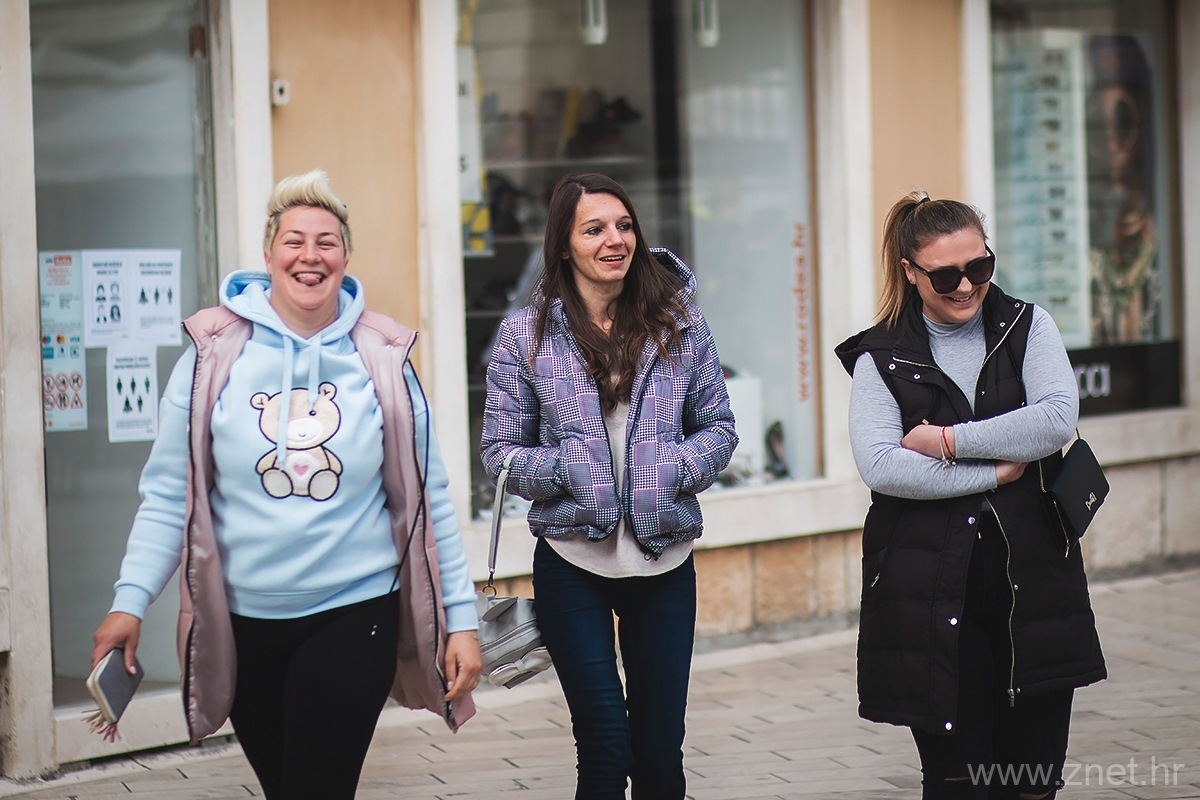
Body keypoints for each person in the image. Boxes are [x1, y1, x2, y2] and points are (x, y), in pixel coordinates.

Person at [91, 169, 482, 799]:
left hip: (356, 612)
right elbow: (169, 494)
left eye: (327, 242)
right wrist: (128, 602)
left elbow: (428, 501)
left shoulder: (381, 356)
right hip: (241, 625)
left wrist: (460, 620)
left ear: (346, 257)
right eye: (294, 240)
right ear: (269, 252)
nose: (310, 255)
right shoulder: (212, 354)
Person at [834, 192, 1106, 800]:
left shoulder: (1029, 326)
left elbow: (1054, 420)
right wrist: (994, 473)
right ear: (910, 272)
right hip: (929, 590)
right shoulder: (880, 356)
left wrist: (946, 441)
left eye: (979, 267)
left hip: (1035, 581)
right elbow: (882, 466)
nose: (965, 286)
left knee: (1033, 780)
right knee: (958, 783)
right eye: (945, 275)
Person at [480, 172, 737, 800]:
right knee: (603, 746)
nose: (613, 240)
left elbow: (720, 428)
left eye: (624, 226)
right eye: (593, 229)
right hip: (572, 564)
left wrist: (669, 469)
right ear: (564, 245)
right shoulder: (525, 336)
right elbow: (499, 452)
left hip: (663, 563)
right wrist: (570, 469)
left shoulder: (679, 324)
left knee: (659, 753)